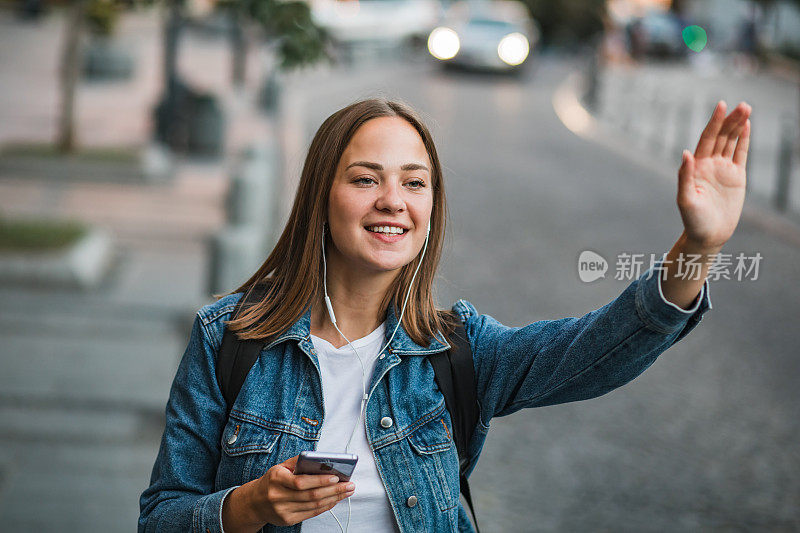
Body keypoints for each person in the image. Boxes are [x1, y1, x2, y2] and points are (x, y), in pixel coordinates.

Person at [139, 97, 752, 533]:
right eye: (365, 179)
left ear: (432, 208)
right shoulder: (231, 337)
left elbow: (592, 351)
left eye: (415, 183)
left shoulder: (457, 350)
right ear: (320, 197)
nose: (393, 202)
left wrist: (697, 249)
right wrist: (249, 506)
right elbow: (161, 518)